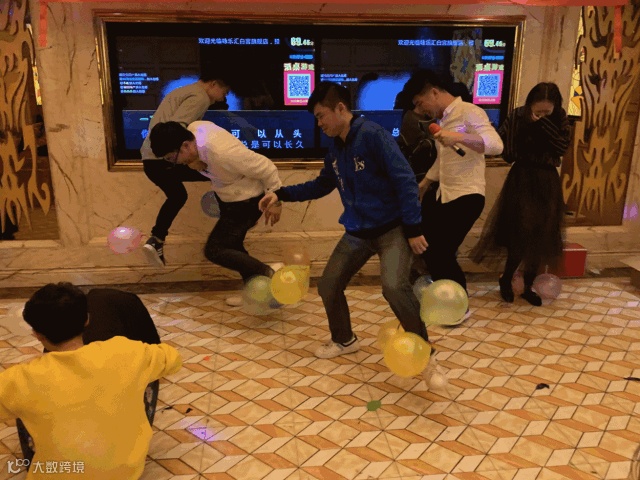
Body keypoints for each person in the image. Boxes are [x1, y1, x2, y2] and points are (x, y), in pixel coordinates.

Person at [258, 82, 445, 388]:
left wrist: (413, 228)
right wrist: (281, 194)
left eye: (321, 116)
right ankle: (344, 339)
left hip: (392, 229)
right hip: (358, 232)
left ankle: (426, 354)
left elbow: (405, 181)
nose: (319, 124)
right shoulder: (336, 148)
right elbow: (321, 185)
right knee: (329, 285)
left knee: (394, 288)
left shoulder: (373, 135)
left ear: (340, 108)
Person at [0, 282, 182, 479]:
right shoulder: (126, 352)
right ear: (87, 319)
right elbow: (173, 358)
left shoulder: (21, 379)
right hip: (126, 473)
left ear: (37, 334)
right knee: (144, 375)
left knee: (23, 407)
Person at [149, 120, 283, 306]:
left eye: (172, 158)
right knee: (233, 247)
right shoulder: (194, 133)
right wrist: (196, 159)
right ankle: (255, 293)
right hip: (229, 197)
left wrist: (277, 200)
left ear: (185, 145)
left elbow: (266, 167)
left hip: (248, 200)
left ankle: (269, 273)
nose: (175, 163)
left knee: (215, 250)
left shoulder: (223, 153)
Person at [402, 69, 503, 299]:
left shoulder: (469, 112)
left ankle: (458, 303)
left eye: (420, 103)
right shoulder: (444, 120)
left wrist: (458, 137)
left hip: (467, 196)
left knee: (441, 252)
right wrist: (424, 184)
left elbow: (496, 145)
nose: (421, 110)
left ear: (434, 93)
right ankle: (444, 299)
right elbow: (443, 160)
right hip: (445, 195)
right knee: (430, 250)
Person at [472, 82, 571, 306]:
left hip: (547, 180)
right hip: (522, 178)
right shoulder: (518, 116)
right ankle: (506, 279)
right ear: (530, 104)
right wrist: (528, 128)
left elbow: (561, 148)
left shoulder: (560, 118)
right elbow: (506, 152)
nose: (543, 115)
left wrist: (543, 125)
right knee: (520, 233)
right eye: (538, 111)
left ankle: (528, 286)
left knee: (541, 235)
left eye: (547, 112)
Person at [141, 68, 237, 267]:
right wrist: (192, 161)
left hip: (151, 161)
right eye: (224, 92)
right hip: (164, 159)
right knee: (221, 174)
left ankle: (156, 240)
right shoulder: (199, 97)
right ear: (214, 84)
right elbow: (176, 128)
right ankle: (231, 229)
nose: (223, 98)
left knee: (177, 196)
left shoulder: (185, 91)